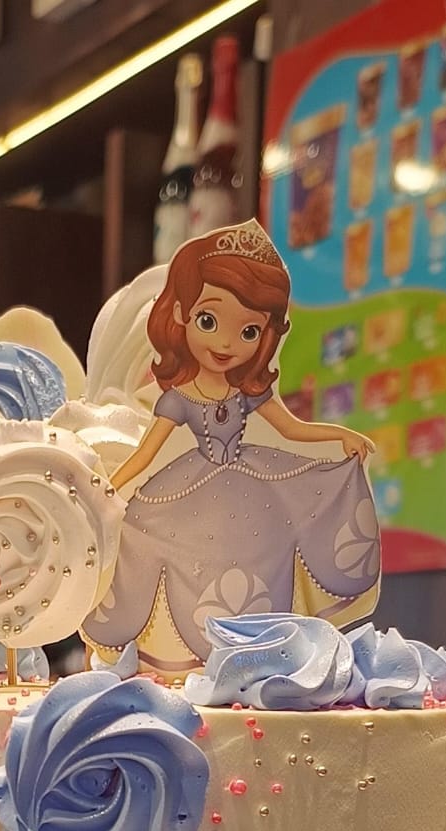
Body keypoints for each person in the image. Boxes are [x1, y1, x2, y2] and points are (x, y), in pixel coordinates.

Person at [84, 220, 381, 677]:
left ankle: (256, 656)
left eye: (248, 331)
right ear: (181, 316)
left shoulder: (250, 393)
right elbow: (145, 455)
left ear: (266, 336)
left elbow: (292, 429)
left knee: (263, 558)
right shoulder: (177, 399)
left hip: (253, 488)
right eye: (209, 321)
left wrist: (338, 437)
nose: (226, 342)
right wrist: (104, 489)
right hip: (189, 489)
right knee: (164, 546)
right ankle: (199, 656)